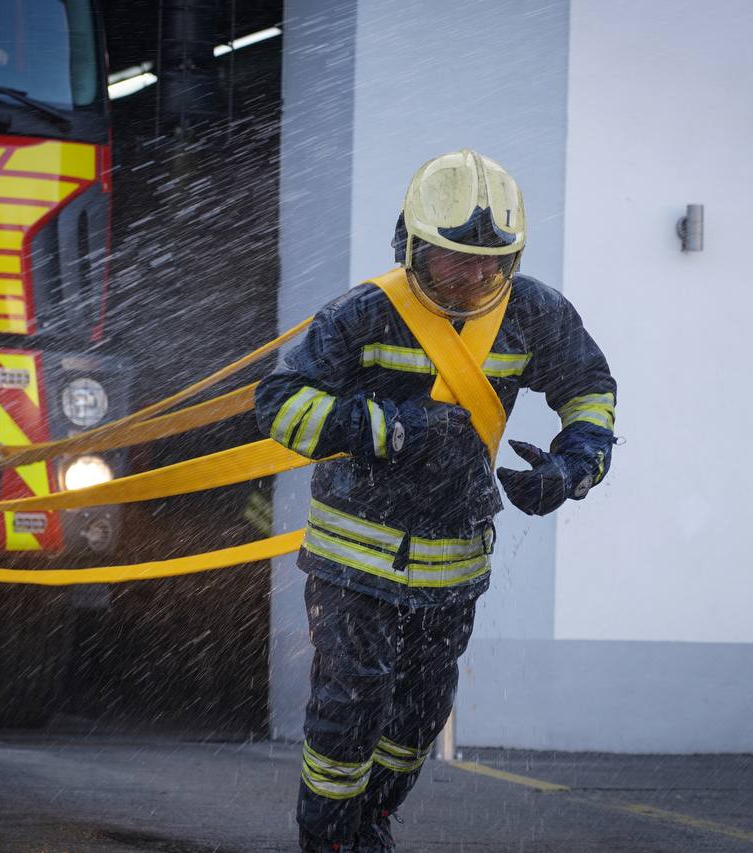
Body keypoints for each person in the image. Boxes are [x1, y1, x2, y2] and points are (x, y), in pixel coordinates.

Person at [255, 149, 618, 852]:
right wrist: (387, 429)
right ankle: (328, 838)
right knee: (351, 705)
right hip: (354, 559)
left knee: (418, 717)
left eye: (494, 262)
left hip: (456, 564)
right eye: (456, 259)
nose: (476, 277)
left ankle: (372, 820)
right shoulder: (365, 313)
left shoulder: (533, 312)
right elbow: (280, 404)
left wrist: (573, 467)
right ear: (413, 246)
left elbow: (590, 390)